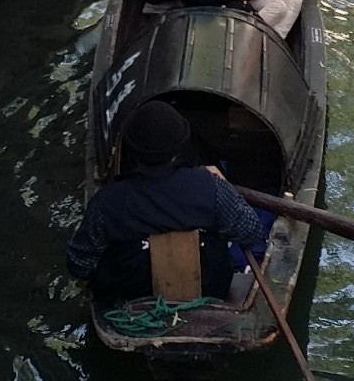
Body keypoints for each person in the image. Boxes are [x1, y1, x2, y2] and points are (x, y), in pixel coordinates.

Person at [66, 100, 267, 302]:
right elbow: (251, 232)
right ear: (178, 151)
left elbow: (78, 264)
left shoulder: (106, 203)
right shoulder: (211, 187)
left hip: (131, 296)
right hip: (211, 289)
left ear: (131, 152)